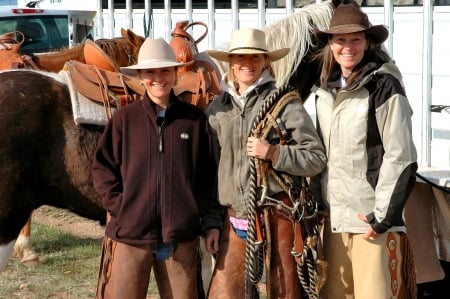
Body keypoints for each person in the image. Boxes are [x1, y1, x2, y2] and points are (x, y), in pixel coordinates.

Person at [92, 37, 222, 299]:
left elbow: (208, 177)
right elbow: (102, 169)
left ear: (175, 74)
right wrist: (123, 208)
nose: (158, 78)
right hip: (131, 235)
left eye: (165, 70)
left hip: (180, 237)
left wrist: (203, 219)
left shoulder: (193, 121)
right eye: (150, 71)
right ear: (140, 76)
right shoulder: (124, 120)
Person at [204, 28, 327, 298]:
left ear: (265, 62)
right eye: (241, 58)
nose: (248, 64)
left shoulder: (285, 105)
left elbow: (316, 158)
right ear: (231, 63)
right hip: (234, 219)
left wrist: (274, 154)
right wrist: (213, 222)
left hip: (278, 218)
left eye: (255, 58)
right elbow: (211, 174)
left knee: (285, 293)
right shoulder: (217, 111)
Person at [311, 1, 418, 298]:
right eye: (340, 40)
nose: (348, 47)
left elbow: (402, 156)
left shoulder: (384, 86)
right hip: (334, 220)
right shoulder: (324, 91)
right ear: (330, 45)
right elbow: (324, 154)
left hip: (370, 221)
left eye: (355, 39)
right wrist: (320, 202)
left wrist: (381, 217)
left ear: (367, 42)